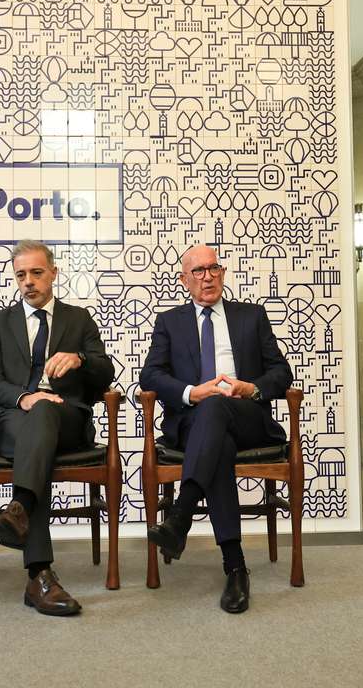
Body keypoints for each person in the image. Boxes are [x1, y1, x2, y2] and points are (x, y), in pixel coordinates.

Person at [139, 244, 293, 613]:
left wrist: (249, 388)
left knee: (219, 407)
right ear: (184, 280)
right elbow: (151, 375)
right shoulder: (169, 322)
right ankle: (235, 566)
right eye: (198, 271)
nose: (207, 276)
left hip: (247, 417)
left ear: (222, 274)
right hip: (195, 422)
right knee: (216, 437)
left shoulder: (251, 316)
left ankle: (181, 515)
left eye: (213, 268)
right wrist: (192, 392)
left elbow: (280, 372)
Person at [0, 240, 114, 616]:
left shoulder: (78, 319)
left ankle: (20, 513)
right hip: (12, 422)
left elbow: (106, 373)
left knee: (48, 411)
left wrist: (80, 358)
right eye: (21, 275)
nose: (29, 282)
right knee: (38, 412)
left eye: (37, 273)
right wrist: (25, 397)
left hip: (65, 418)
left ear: (53, 273)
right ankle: (39, 574)